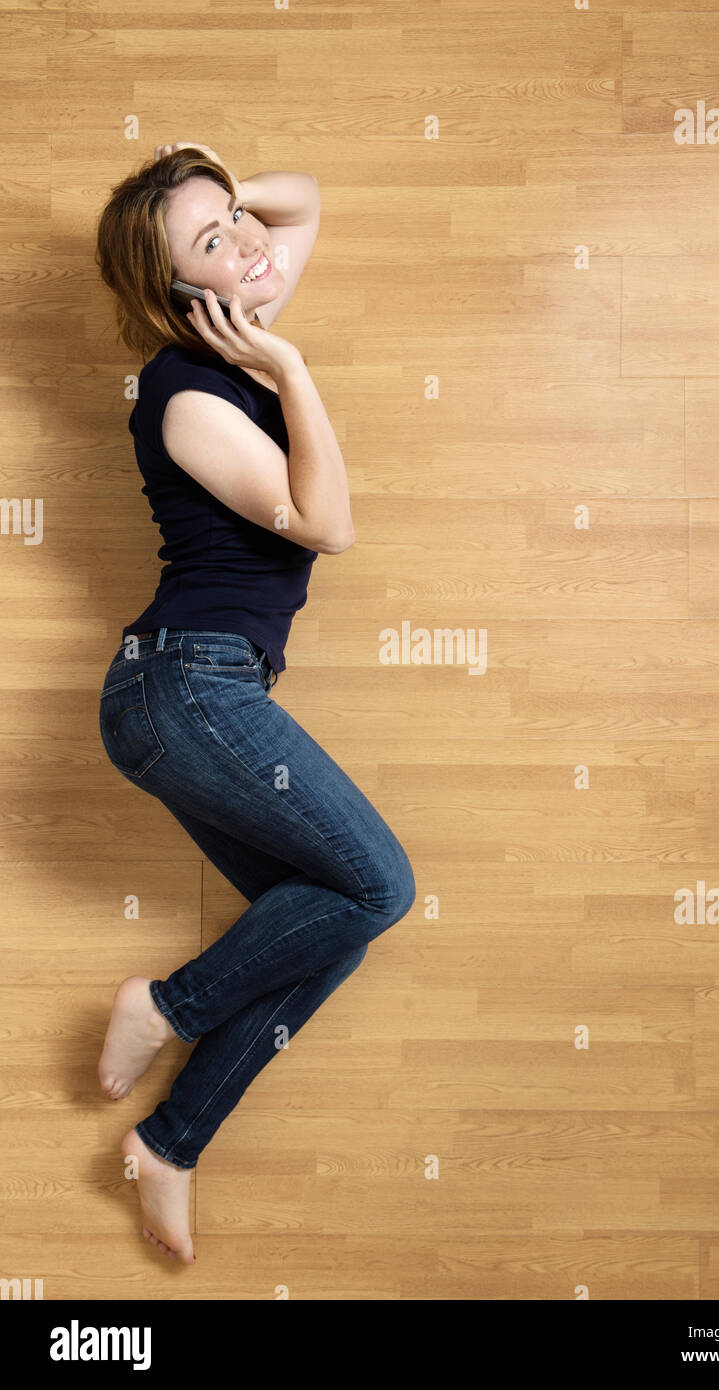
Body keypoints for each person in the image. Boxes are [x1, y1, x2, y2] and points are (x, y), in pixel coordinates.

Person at [93, 144, 416, 1265]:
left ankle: (170, 1143)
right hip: (183, 682)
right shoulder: (188, 396)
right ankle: (168, 1005)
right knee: (380, 886)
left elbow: (306, 197)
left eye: (236, 226)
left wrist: (215, 189)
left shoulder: (234, 337)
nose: (252, 244)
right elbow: (326, 525)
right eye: (213, 244)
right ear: (179, 294)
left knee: (326, 927)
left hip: (201, 689)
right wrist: (293, 369)